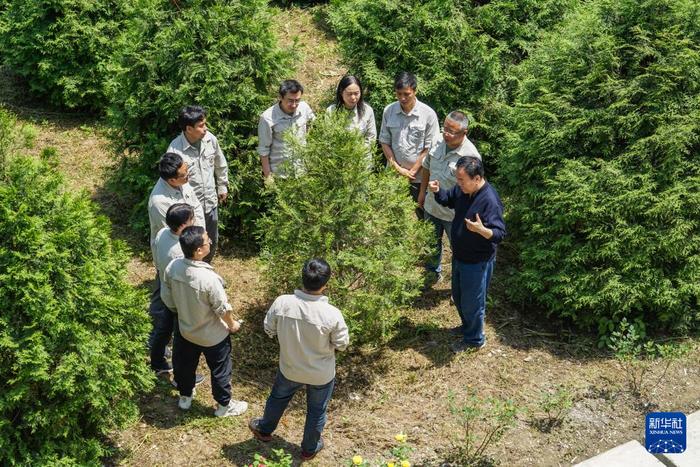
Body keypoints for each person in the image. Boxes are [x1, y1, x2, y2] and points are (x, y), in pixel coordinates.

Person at [248, 258, 349, 461]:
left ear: (302, 278)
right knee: (317, 411)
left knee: (278, 398)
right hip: (321, 374)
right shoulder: (332, 314)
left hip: (290, 366)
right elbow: (342, 344)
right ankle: (309, 448)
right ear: (325, 284)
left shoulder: (283, 302)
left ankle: (264, 429)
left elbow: (269, 328)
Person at [161, 226, 248, 417]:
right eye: (207, 240)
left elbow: (166, 296)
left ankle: (185, 397)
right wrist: (233, 325)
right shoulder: (209, 278)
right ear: (199, 250)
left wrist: (181, 312)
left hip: (186, 330)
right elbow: (222, 308)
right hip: (213, 336)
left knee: (184, 365)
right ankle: (224, 406)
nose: (210, 241)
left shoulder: (173, 267)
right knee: (220, 370)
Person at [428, 156, 505, 353]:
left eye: (462, 180)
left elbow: (499, 234)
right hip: (460, 255)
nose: (458, 183)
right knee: (459, 296)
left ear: (477, 178)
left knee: (473, 302)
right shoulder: (463, 190)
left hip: (477, 261)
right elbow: (449, 199)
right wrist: (438, 192)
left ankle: (475, 339)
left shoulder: (490, 201)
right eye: (458, 179)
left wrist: (482, 230)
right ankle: (467, 327)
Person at [147, 152, 205, 375]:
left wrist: (200, 234)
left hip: (186, 251)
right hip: (175, 262)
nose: (188, 175)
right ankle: (162, 354)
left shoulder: (182, 183)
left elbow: (195, 207)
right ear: (171, 180)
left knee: (164, 306)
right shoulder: (159, 202)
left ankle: (157, 346)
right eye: (184, 174)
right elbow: (180, 233)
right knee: (169, 311)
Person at [418, 111, 481, 282]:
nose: (446, 134)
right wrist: (422, 192)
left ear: (464, 133)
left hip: (455, 214)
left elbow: (475, 189)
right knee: (431, 244)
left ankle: (458, 283)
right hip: (432, 206)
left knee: (459, 250)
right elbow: (426, 167)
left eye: (451, 131)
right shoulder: (437, 140)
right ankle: (432, 274)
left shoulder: (471, 156)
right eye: (444, 128)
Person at [167, 105, 228, 263]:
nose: (205, 129)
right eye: (201, 126)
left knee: (210, 241)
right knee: (193, 247)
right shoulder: (175, 152)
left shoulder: (210, 140)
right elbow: (172, 184)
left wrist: (222, 186)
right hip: (191, 212)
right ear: (188, 128)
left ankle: (207, 269)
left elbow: (220, 164)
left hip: (210, 204)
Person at [378, 71, 439, 218]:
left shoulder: (428, 114)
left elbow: (430, 147)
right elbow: (384, 142)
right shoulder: (389, 111)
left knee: (423, 216)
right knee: (392, 217)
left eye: (407, 94)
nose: (402, 98)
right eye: (399, 94)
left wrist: (413, 171)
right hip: (394, 175)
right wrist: (398, 169)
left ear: (415, 91)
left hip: (419, 178)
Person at [148, 203, 194, 376]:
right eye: (192, 219)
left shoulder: (162, 233)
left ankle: (157, 361)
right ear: (182, 225)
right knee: (181, 337)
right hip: (177, 298)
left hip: (165, 291)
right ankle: (182, 376)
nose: (194, 221)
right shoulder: (180, 251)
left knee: (163, 328)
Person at [258, 79, 315, 180]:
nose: (294, 105)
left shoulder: (304, 108)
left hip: (302, 172)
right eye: (290, 100)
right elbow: (263, 149)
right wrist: (268, 177)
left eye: (297, 100)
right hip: (280, 176)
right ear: (280, 97)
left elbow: (314, 125)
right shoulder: (267, 118)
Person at [326, 75, 376, 148]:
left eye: (356, 93)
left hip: (362, 156)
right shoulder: (331, 111)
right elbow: (328, 137)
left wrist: (358, 151)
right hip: (338, 156)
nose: (353, 97)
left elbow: (371, 137)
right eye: (349, 94)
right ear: (341, 92)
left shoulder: (367, 110)